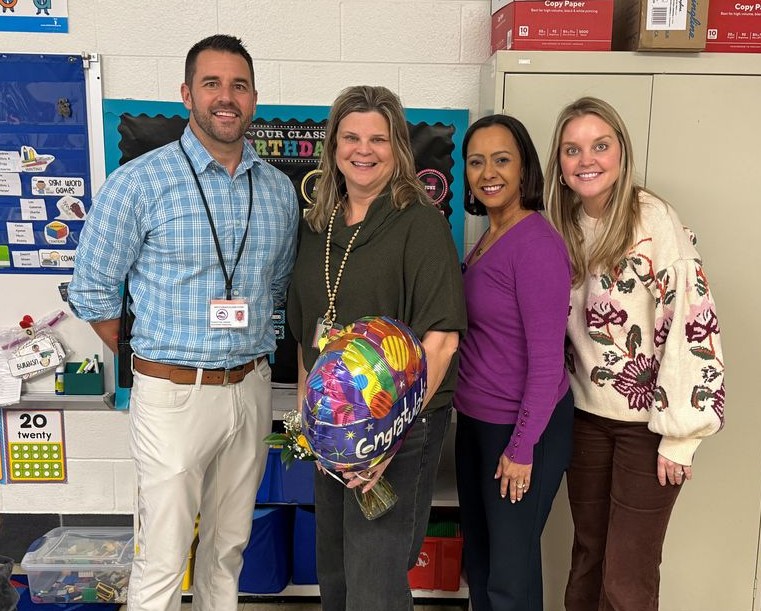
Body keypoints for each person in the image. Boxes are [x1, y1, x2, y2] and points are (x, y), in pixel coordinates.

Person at [69, 35, 298, 611]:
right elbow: (94, 291)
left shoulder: (276, 191)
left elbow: (275, 291)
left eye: (239, 85)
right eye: (212, 84)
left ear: (253, 98)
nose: (227, 97)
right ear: (186, 94)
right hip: (171, 394)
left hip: (249, 390)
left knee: (228, 551)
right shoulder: (139, 183)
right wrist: (156, 355)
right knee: (164, 558)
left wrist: (255, 353)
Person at [286, 85, 466, 611]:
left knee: (375, 582)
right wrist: (311, 428)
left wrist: (385, 440)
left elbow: (441, 340)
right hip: (334, 434)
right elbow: (306, 339)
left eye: (378, 139)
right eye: (351, 137)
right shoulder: (317, 227)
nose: (363, 150)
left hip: (397, 430)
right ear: (333, 146)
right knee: (336, 571)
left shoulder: (420, 224)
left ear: (398, 149)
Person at [543, 96, 725, 611]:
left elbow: (693, 320)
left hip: (650, 426)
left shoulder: (654, 221)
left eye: (600, 146)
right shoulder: (563, 224)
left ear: (621, 152)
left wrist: (682, 436)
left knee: (628, 575)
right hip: (584, 420)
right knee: (588, 558)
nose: (587, 160)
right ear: (559, 163)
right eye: (572, 150)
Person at [454, 114, 573, 611]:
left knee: (510, 574)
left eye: (501, 159)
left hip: (523, 430)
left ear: (524, 169)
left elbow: (547, 363)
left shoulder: (538, 245)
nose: (488, 172)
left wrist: (522, 447)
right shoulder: (488, 236)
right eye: (476, 161)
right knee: (481, 563)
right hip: (478, 423)